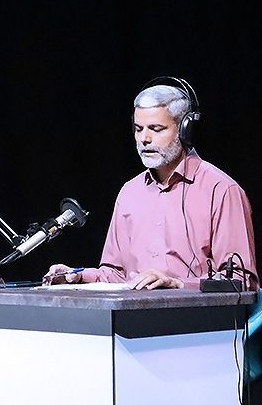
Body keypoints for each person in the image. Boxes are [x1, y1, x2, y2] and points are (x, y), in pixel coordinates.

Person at [45, 78, 257, 290]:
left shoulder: (221, 190)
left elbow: (242, 281)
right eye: (139, 129)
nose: (144, 139)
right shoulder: (130, 192)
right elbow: (117, 275)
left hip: (196, 312)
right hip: (134, 311)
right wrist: (78, 276)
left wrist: (177, 284)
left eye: (156, 129)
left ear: (185, 130)